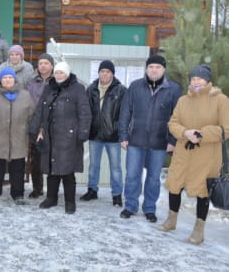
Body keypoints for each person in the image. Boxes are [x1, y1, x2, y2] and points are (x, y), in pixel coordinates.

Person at [159, 65, 229, 245]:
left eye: (199, 78)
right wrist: (185, 132)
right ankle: (171, 219)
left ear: (207, 80)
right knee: (175, 183)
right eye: (193, 78)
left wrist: (201, 134)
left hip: (207, 155)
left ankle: (199, 230)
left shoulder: (221, 100)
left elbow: (226, 129)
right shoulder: (183, 100)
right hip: (183, 151)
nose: (195, 81)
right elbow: (173, 122)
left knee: (201, 190)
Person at [119, 55, 181, 222]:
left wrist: (172, 140)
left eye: (158, 67)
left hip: (159, 142)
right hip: (135, 140)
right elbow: (125, 112)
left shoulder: (174, 90)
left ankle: (149, 208)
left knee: (153, 178)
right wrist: (123, 135)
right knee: (132, 175)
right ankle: (130, 206)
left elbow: (178, 117)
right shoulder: (135, 86)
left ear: (164, 69)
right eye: (151, 67)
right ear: (146, 69)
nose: (154, 70)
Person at [30, 62, 91, 214]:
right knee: (52, 170)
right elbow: (40, 110)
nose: (58, 75)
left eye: (61, 73)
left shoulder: (78, 89)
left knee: (67, 171)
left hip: (69, 136)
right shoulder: (49, 87)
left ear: (68, 73)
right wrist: (36, 129)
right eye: (56, 73)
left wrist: (83, 132)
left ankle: (70, 202)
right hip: (50, 135)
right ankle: (51, 198)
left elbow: (85, 112)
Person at [80, 60, 127, 206]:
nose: (104, 74)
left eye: (108, 71)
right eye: (102, 71)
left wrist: (119, 128)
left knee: (116, 167)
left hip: (113, 136)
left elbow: (125, 113)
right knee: (94, 165)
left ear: (112, 73)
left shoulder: (121, 90)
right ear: (99, 72)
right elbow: (86, 111)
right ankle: (92, 190)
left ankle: (117, 194)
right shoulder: (91, 89)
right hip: (95, 135)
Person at [0, 68, 35, 204]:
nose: (7, 80)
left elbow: (32, 115)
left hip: (18, 138)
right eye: (5, 77)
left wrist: (29, 132)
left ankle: (18, 194)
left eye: (10, 77)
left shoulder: (25, 95)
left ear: (15, 79)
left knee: (18, 169)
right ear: (0, 80)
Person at [25, 53, 54, 198]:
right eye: (41, 63)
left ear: (52, 66)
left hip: (52, 124)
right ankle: (37, 188)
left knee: (52, 158)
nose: (43, 66)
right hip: (34, 123)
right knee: (35, 159)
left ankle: (52, 189)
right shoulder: (31, 82)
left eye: (46, 63)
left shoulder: (56, 82)